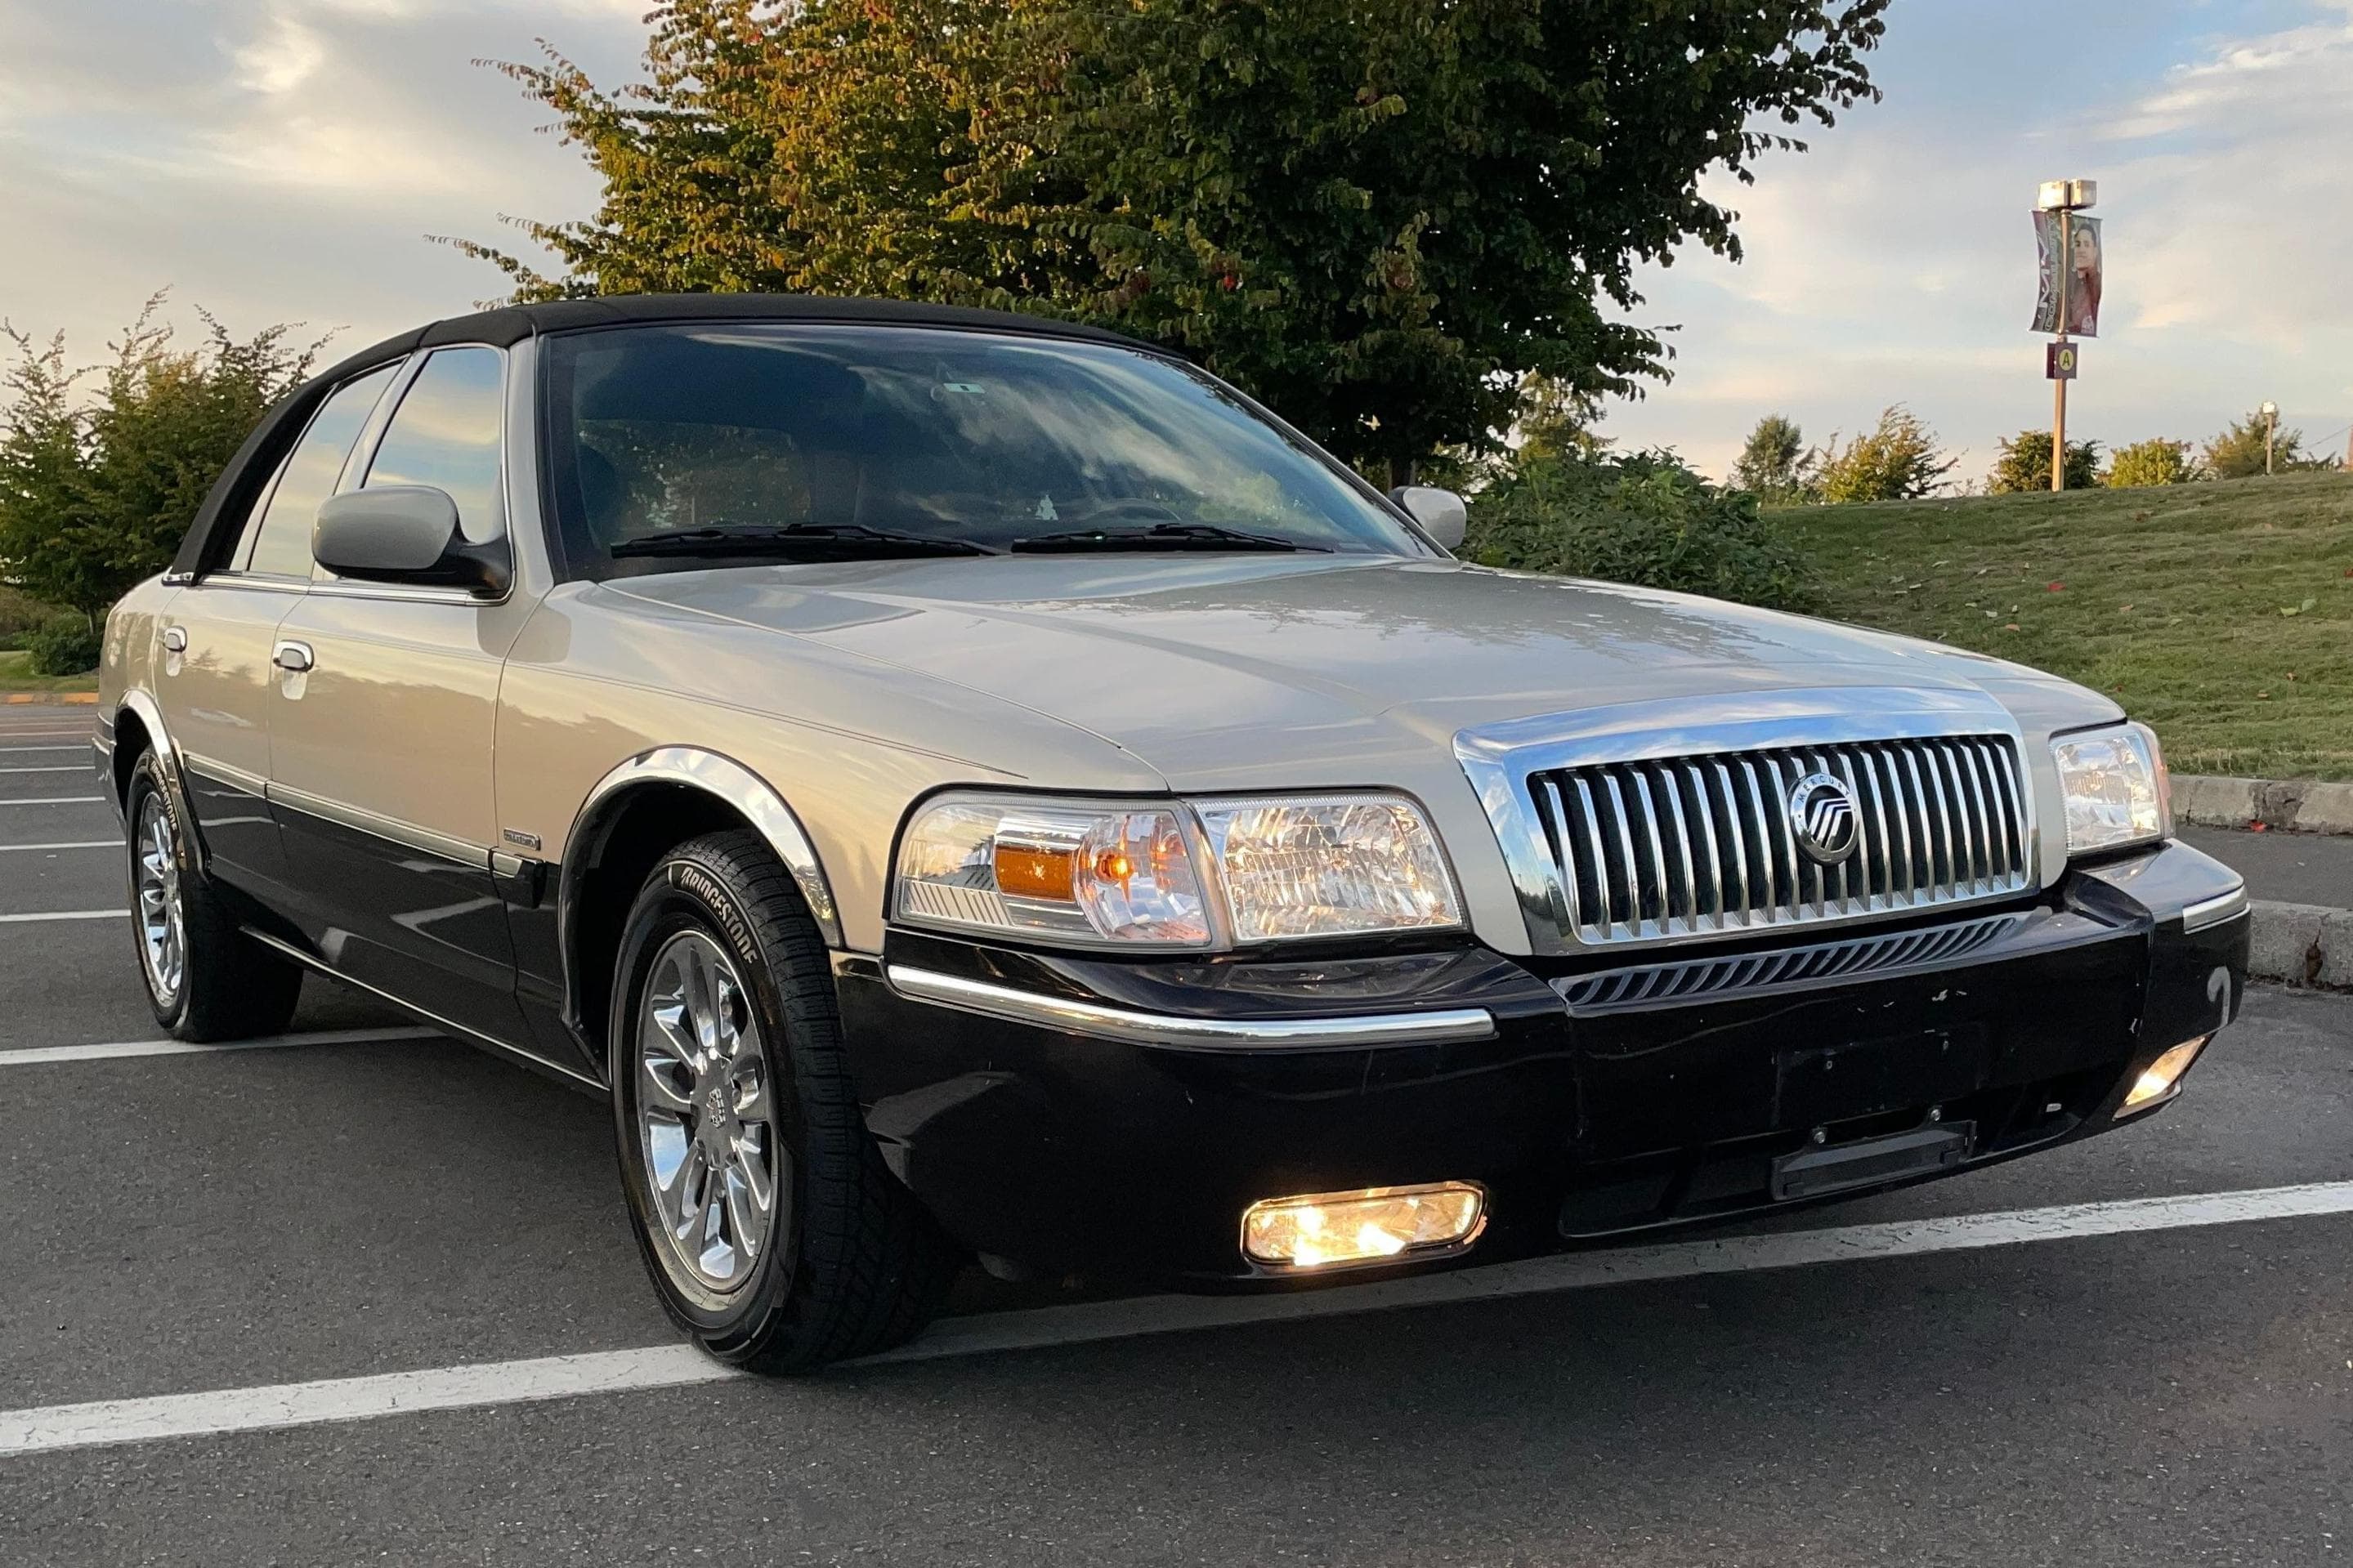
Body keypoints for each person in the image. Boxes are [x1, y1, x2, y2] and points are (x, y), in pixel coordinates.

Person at [2067, 219, 2101, 337]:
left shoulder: (2095, 284)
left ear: (2095, 251)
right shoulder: (2068, 282)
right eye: (2078, 244)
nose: (2081, 250)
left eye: (2086, 245)